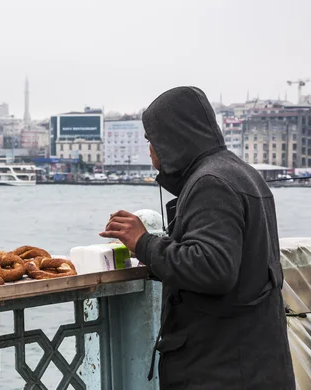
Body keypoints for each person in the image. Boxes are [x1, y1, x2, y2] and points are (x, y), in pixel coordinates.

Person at [100, 86, 295, 389]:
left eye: (152, 140)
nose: (149, 149)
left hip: (222, 370)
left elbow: (213, 269)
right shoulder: (242, 172)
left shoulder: (211, 183)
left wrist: (143, 242)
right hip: (255, 361)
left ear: (172, 138)